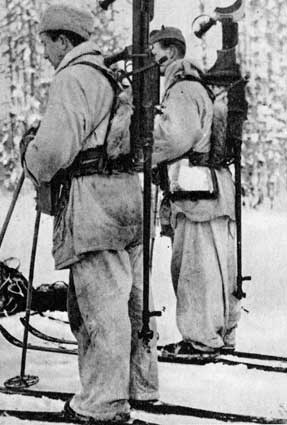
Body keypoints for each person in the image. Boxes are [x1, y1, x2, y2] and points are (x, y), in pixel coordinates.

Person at [21, 4, 159, 423]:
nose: (44, 52)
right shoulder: (106, 74)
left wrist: (29, 152)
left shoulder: (74, 77)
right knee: (131, 299)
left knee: (99, 307)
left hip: (93, 201)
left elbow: (52, 152)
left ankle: (102, 403)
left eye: (46, 42)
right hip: (126, 196)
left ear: (63, 40)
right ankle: (139, 385)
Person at [150, 26, 241, 355]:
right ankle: (220, 335)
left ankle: (201, 340)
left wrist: (143, 150)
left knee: (195, 269)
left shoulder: (182, 88)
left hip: (196, 193)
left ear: (170, 52)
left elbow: (176, 137)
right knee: (218, 266)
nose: (150, 60)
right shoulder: (197, 86)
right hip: (211, 189)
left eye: (154, 51)